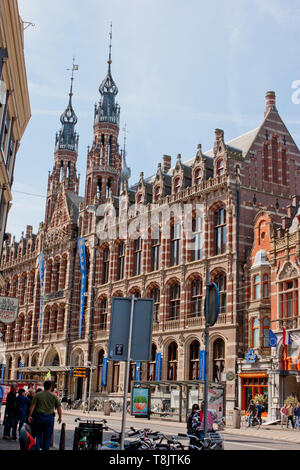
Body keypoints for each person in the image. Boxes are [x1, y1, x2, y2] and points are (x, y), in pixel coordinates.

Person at [27, 380, 62, 451]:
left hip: (39, 417)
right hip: (49, 417)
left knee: (38, 435)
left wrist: (30, 415)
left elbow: (32, 406)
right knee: (47, 437)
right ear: (51, 387)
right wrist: (60, 417)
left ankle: (37, 448)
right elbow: (59, 408)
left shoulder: (38, 395)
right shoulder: (54, 396)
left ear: (44, 386)